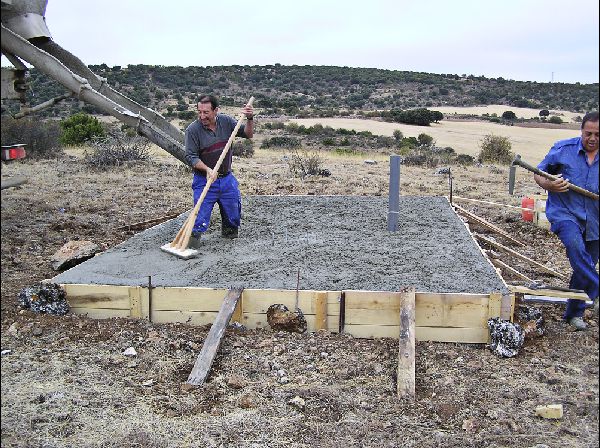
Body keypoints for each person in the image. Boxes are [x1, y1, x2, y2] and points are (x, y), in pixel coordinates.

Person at [534, 111, 599, 330]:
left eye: (598, 134)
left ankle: (574, 314)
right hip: (565, 213)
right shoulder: (563, 150)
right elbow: (539, 172)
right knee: (574, 246)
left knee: (586, 263)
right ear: (581, 131)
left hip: (596, 220)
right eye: (588, 133)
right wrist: (549, 185)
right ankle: (597, 290)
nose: (592, 138)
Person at [184, 95, 254, 247]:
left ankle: (229, 244)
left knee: (233, 214)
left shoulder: (227, 122)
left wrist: (250, 118)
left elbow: (248, 134)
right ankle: (191, 245)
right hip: (204, 180)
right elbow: (191, 157)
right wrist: (207, 169)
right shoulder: (192, 130)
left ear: (216, 110)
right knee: (199, 216)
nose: (202, 116)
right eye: (199, 112)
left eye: (206, 112)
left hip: (227, 179)